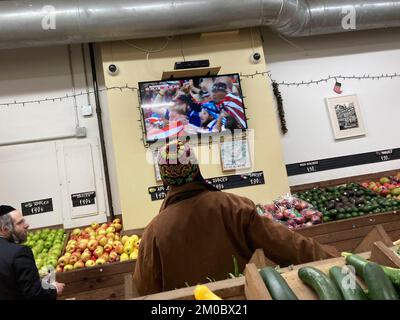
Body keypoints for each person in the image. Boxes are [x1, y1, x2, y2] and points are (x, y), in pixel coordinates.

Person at [134, 141, 339, 295]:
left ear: (164, 180)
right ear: (196, 169)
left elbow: (145, 289)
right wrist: (335, 260)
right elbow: (287, 244)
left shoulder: (153, 232)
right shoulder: (234, 207)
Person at [0, 205, 65, 300]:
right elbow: (34, 294)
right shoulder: (19, 252)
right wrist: (54, 289)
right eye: (20, 223)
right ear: (4, 230)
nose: (27, 225)